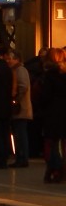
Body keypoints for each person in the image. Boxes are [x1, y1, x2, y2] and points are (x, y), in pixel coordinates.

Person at [36, 48, 66, 183]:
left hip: (54, 113)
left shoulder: (50, 75)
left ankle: (55, 169)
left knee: (54, 143)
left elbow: (45, 96)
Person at [8, 49, 32, 168]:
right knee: (18, 133)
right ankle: (20, 157)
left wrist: (16, 98)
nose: (8, 60)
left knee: (21, 134)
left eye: (10, 58)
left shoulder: (20, 70)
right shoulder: (15, 70)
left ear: (17, 59)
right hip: (19, 107)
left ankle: (22, 157)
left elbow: (23, 86)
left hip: (21, 108)